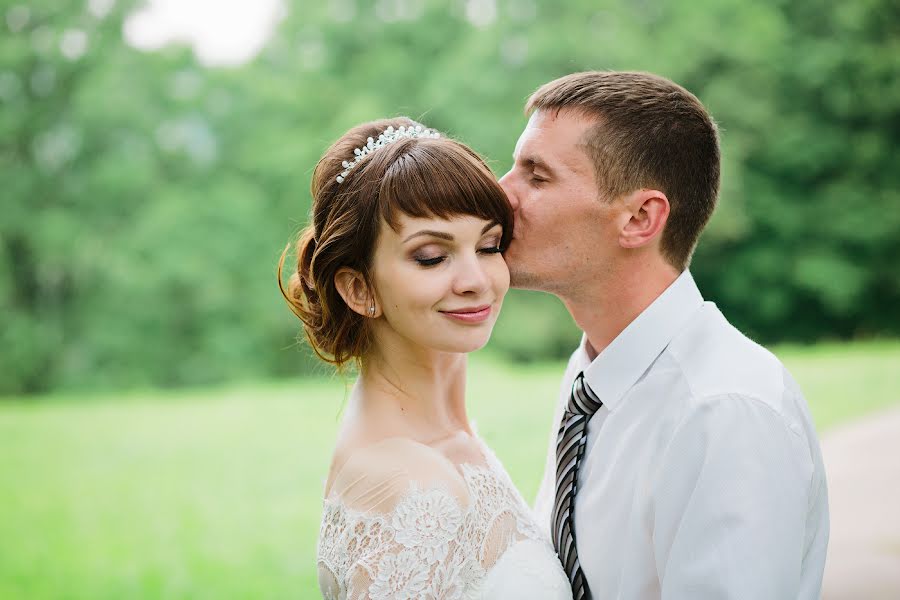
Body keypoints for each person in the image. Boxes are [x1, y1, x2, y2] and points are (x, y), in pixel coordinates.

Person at [499, 71, 830, 599]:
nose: (500, 193)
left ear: (639, 218)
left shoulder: (723, 411)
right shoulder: (589, 374)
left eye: (536, 177)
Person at [279, 118, 573, 599]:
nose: (475, 279)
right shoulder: (408, 483)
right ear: (358, 287)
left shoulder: (449, 440)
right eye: (432, 256)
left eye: (488, 245)